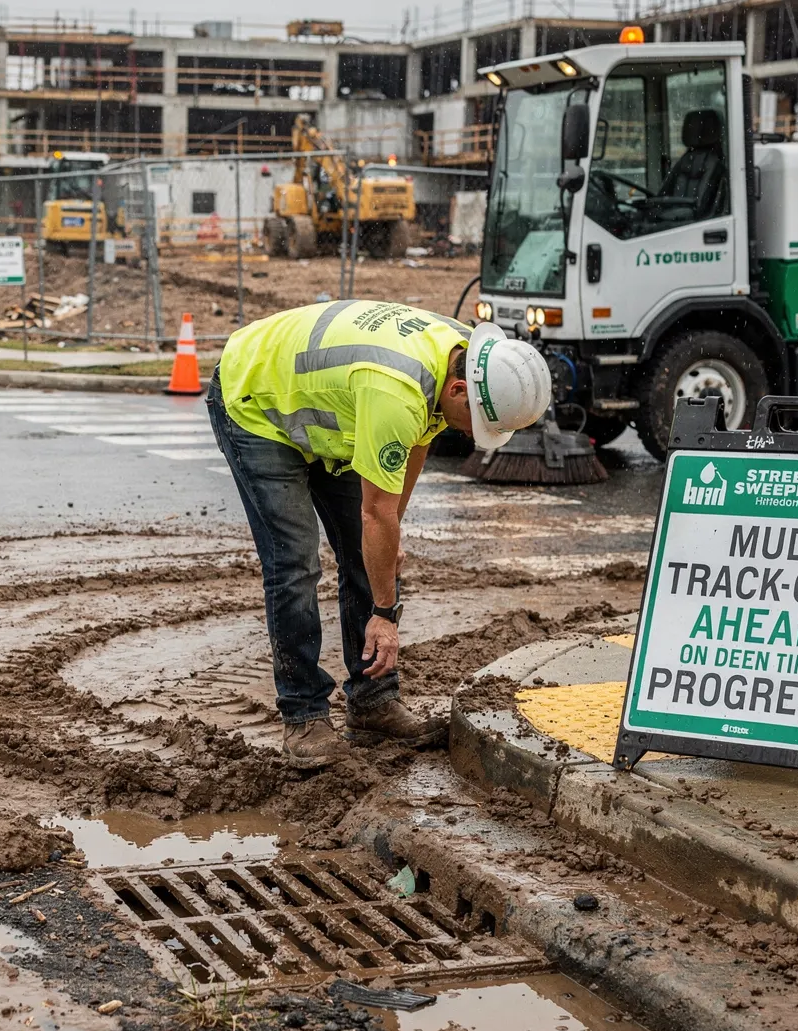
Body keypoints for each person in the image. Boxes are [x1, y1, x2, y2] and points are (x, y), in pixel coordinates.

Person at [207, 300, 554, 766]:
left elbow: (418, 443)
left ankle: (372, 704)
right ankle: (304, 715)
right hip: (257, 402)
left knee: (367, 552)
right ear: (458, 389)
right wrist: (385, 614)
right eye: (480, 424)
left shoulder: (462, 353)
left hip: (336, 406)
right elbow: (376, 512)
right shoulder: (398, 389)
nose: (476, 437)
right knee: (294, 563)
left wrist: (391, 533)